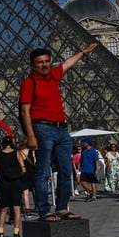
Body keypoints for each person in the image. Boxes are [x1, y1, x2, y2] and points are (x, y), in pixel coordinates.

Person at [20, 43, 98, 221]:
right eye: (40, 62)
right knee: (43, 172)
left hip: (62, 129)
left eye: (47, 61)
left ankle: (62, 208)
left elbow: (67, 64)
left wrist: (83, 52)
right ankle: (44, 210)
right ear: (32, 65)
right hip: (42, 128)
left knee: (65, 172)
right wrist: (30, 135)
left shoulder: (54, 76)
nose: (45, 65)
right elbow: (25, 111)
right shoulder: (29, 83)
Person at [0, 137, 25, 237]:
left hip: (4, 184)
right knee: (17, 209)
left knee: (4, 209)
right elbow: (23, 168)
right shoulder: (16, 153)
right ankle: (16, 233)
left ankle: (0, 233)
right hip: (16, 183)